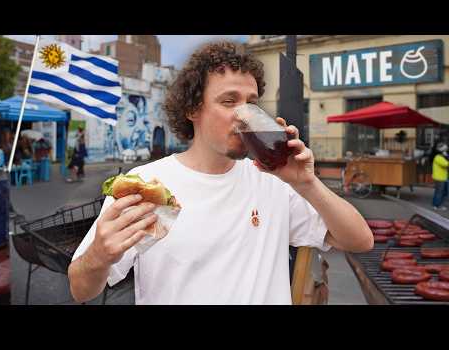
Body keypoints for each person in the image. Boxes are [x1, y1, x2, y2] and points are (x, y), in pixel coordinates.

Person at [68, 42, 373, 305]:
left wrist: (308, 184)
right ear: (192, 109)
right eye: (229, 101)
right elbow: (81, 289)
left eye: (251, 103)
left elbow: (359, 241)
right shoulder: (149, 185)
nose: (244, 115)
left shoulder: (272, 180)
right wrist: (98, 255)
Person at [431, 142, 449, 211]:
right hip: (439, 178)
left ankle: (438, 204)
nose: (446, 151)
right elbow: (446, 164)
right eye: (445, 150)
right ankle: (436, 205)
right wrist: (446, 156)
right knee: (439, 192)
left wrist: (446, 156)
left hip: (443, 177)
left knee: (443, 192)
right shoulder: (438, 157)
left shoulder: (442, 157)